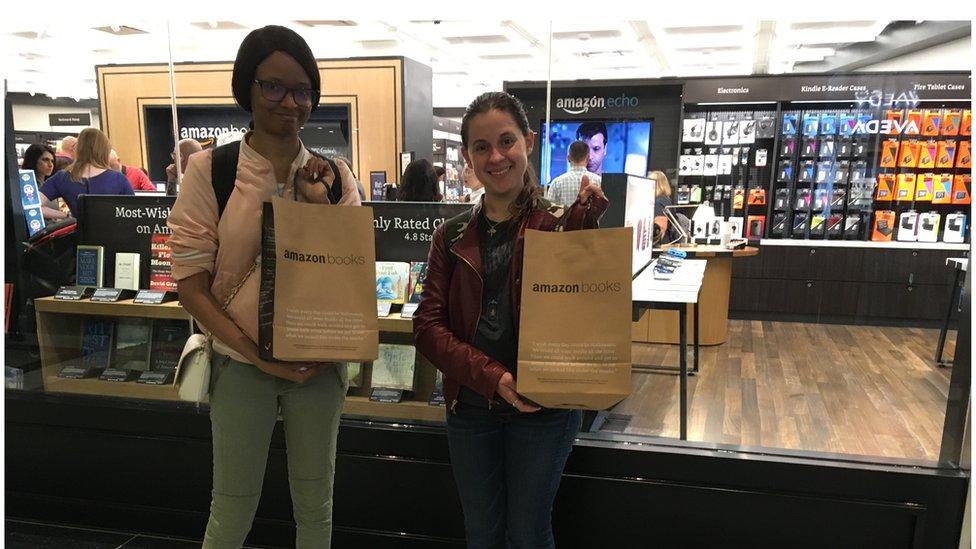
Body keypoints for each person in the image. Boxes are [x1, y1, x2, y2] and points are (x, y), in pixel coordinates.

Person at [167, 25, 360, 549]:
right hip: (239, 363)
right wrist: (258, 354)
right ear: (247, 89)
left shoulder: (336, 176)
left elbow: (346, 274)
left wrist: (313, 207)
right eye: (273, 86)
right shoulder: (213, 171)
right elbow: (190, 283)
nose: (289, 102)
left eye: (302, 90)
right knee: (231, 507)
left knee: (316, 505)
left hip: (318, 365)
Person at [413, 91, 607, 549]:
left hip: (546, 409)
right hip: (472, 408)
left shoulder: (562, 225)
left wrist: (586, 229)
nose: (496, 157)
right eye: (482, 147)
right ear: (468, 158)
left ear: (529, 142)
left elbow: (587, 310)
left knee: (529, 532)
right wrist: (494, 376)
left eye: (506, 141)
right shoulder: (451, 235)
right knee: (481, 533)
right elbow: (427, 327)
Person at [39, 128, 133, 219]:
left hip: (78, 233)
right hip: (112, 234)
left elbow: (34, 207)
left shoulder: (62, 178)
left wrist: (66, 216)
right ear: (104, 150)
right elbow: (134, 214)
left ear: (78, 148)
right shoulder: (118, 179)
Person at [546, 140, 602, 206]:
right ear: (588, 158)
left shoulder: (556, 183)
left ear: (568, 158)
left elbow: (549, 212)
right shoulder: (599, 181)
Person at [650, 170, 678, 244]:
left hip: (660, 245)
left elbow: (660, 229)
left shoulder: (658, 202)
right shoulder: (666, 200)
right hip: (666, 242)